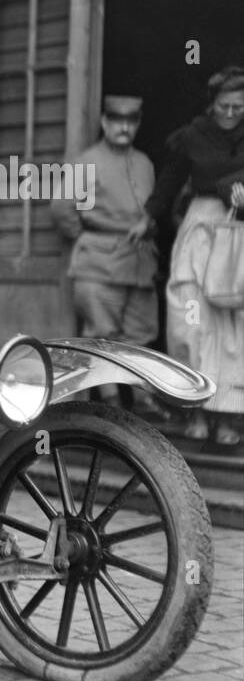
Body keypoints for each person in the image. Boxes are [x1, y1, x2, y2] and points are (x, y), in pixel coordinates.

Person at [130, 65, 244, 445]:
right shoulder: (192, 137)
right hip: (199, 233)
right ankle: (194, 409)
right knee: (189, 319)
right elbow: (169, 182)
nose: (231, 115)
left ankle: (226, 416)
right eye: (225, 106)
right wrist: (146, 217)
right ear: (212, 104)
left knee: (231, 328)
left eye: (239, 108)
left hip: (238, 237)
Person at [50, 95, 170, 420]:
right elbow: (62, 209)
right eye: (117, 120)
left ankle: (143, 401)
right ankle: (112, 404)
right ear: (104, 122)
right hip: (99, 264)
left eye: (131, 122)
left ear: (138, 124)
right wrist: (93, 237)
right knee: (102, 336)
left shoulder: (144, 162)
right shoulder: (85, 161)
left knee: (140, 334)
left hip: (140, 262)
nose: (124, 127)